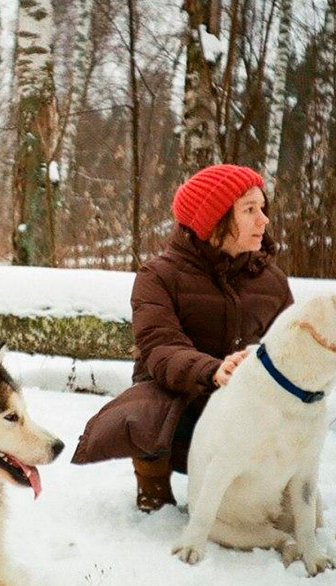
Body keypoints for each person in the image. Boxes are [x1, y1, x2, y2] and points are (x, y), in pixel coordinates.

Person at [71, 164, 294, 511]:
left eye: (262, 208)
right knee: (147, 404)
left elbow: (289, 347)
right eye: (249, 210)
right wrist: (214, 371)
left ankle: (256, 488)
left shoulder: (271, 281)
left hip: (245, 403)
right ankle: (153, 481)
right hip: (182, 404)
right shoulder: (158, 276)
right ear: (214, 219)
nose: (263, 220)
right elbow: (160, 347)